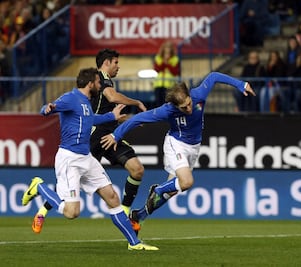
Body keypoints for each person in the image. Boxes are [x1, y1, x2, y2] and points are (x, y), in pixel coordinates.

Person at [21, 68, 158, 251]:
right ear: (90, 83)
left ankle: (135, 243)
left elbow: (90, 119)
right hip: (70, 159)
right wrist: (48, 109)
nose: (100, 85)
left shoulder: (85, 102)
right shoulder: (70, 98)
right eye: (98, 82)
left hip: (86, 158)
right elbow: (49, 108)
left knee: (112, 197)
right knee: (72, 212)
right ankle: (39, 187)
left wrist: (112, 117)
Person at [100, 72, 256, 226]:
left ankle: (139, 216)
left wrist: (241, 84)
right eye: (183, 107)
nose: (188, 108)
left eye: (189, 103)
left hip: (194, 147)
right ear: (175, 105)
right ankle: (158, 189)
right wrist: (116, 135)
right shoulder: (167, 110)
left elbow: (214, 76)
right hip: (176, 144)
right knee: (186, 182)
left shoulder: (198, 95)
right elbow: (138, 118)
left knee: (173, 190)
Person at [32, 49, 146, 234]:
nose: (118, 66)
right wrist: (137, 102)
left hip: (109, 134)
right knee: (69, 182)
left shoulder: (99, 87)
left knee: (137, 169)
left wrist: (131, 120)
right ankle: (43, 210)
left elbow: (103, 115)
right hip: (92, 137)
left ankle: (124, 212)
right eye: (116, 62)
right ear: (106, 63)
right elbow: (112, 97)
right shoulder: (100, 78)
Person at [153, 41, 180, 108]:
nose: (167, 50)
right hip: (158, 84)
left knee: (168, 103)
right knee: (158, 102)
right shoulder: (158, 58)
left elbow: (175, 72)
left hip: (169, 85)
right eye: (166, 48)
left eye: (169, 48)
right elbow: (157, 69)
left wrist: (168, 63)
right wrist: (164, 61)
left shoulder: (175, 59)